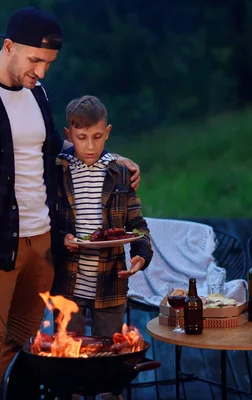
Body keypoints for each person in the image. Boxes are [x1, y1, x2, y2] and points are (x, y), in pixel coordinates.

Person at [0, 8, 140, 400]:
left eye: (48, 64)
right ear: (9, 46)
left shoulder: (36, 92)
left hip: (43, 242)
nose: (42, 72)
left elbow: (54, 148)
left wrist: (111, 158)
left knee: (23, 345)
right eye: (35, 61)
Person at [52, 95, 153, 336]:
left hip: (110, 284)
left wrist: (141, 254)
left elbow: (137, 224)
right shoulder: (58, 172)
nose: (90, 146)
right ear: (69, 135)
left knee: (108, 354)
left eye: (97, 137)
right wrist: (61, 239)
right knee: (68, 355)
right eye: (81, 138)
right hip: (68, 283)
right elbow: (48, 222)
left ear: (107, 132)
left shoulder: (120, 173)